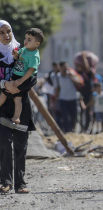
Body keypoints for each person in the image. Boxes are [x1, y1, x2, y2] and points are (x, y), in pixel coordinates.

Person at [0, 20, 35, 194]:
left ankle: (20, 183)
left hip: (21, 107)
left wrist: (16, 86)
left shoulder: (23, 51)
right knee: (4, 143)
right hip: (2, 106)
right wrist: (4, 86)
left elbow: (33, 75)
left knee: (21, 144)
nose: (6, 35)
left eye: (8, 31)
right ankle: (5, 181)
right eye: (2, 33)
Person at [0, 28, 43, 124]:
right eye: (25, 38)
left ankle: (16, 117)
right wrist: (15, 55)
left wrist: (21, 81)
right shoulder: (24, 49)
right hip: (15, 76)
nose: (25, 41)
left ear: (37, 44)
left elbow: (31, 70)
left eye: (29, 39)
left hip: (22, 79)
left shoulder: (34, 55)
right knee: (4, 94)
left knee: (18, 98)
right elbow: (18, 57)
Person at [54, 62, 83, 133]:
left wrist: (71, 77)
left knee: (74, 116)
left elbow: (79, 83)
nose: (66, 69)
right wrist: (55, 101)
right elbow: (57, 89)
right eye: (64, 67)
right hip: (63, 99)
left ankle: (73, 130)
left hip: (73, 99)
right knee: (65, 117)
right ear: (60, 68)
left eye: (66, 67)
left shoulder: (72, 74)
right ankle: (67, 131)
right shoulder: (57, 77)